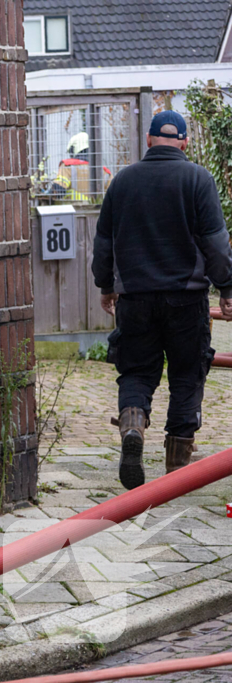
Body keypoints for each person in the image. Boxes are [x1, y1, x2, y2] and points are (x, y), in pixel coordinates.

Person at [92, 110, 232, 490]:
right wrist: (228, 288)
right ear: (184, 142)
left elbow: (103, 243)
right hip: (186, 300)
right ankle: (177, 469)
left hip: (135, 298)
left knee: (136, 371)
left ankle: (133, 425)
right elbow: (215, 242)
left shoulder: (122, 182)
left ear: (150, 140)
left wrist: (106, 286)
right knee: (187, 374)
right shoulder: (198, 178)